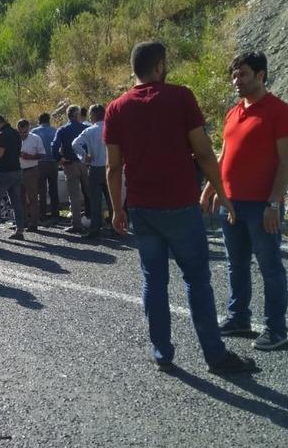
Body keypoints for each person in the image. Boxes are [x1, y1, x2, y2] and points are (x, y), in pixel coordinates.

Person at [104, 41, 255, 373]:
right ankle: (215, 356)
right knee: (197, 281)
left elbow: (113, 168)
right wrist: (222, 194)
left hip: (142, 209)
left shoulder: (116, 108)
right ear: (159, 66)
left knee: (153, 281)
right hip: (179, 205)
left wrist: (117, 209)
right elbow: (203, 152)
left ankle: (163, 354)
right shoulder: (180, 97)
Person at [201, 51, 288, 350]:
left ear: (260, 75)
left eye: (242, 74)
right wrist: (210, 187)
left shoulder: (280, 112)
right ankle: (239, 317)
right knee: (236, 264)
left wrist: (273, 203)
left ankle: (275, 329)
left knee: (270, 267)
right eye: (234, 75)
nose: (236, 80)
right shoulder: (233, 112)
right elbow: (224, 153)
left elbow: (286, 162)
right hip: (231, 203)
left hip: (261, 205)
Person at [72, 104, 113, 238]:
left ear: (93, 116)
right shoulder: (112, 128)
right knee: (111, 198)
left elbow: (75, 144)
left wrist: (84, 157)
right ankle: (114, 226)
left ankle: (96, 228)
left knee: (95, 200)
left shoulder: (89, 130)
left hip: (95, 167)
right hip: (110, 166)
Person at [0, 113, 25, 241]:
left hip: (4, 172)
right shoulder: (15, 132)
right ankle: (20, 230)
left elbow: (0, 152)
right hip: (17, 170)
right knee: (16, 201)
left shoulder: (2, 134)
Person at [52, 105, 89, 233]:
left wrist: (59, 159)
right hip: (85, 164)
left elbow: (54, 147)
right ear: (77, 115)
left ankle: (76, 224)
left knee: (74, 196)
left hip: (70, 164)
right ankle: (96, 221)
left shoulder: (62, 130)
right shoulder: (86, 128)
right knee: (90, 193)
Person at [17, 119, 46, 232]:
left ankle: (34, 223)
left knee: (33, 198)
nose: (23, 134)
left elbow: (42, 154)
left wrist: (31, 157)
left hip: (31, 170)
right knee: (20, 198)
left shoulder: (36, 138)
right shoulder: (15, 139)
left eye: (25, 132)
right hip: (17, 171)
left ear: (28, 129)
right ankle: (22, 222)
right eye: (20, 132)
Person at [31, 113, 59, 223]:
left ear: (39, 121)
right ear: (49, 120)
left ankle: (42, 214)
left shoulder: (34, 132)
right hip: (53, 163)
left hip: (40, 163)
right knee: (53, 189)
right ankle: (55, 213)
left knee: (41, 190)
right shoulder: (55, 130)